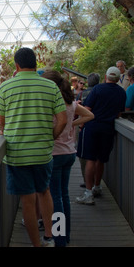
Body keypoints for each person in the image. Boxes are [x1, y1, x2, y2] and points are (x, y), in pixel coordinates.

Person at [0, 47, 67, 247]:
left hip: (18, 155)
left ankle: (37, 244)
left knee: (27, 200)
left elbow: (0, 124)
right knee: (45, 192)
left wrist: (2, 129)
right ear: (35, 63)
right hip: (43, 153)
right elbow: (62, 120)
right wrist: (50, 137)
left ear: (17, 65)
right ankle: (49, 238)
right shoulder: (50, 87)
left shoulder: (6, 88)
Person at [41, 70, 94, 247]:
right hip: (69, 153)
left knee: (56, 197)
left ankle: (59, 239)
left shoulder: (52, 104)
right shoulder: (70, 103)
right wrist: (72, 123)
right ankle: (65, 235)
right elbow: (89, 115)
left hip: (55, 154)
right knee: (63, 195)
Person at [76, 66, 127, 205]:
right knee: (101, 159)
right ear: (117, 79)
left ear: (106, 77)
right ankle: (97, 187)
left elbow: (87, 109)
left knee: (90, 159)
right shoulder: (122, 92)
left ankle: (88, 193)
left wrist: (81, 126)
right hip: (108, 129)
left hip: (92, 127)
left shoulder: (97, 89)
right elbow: (119, 113)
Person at [75, 72, 100, 187]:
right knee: (98, 157)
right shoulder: (101, 92)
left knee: (85, 157)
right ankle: (96, 183)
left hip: (84, 127)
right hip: (101, 126)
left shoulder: (82, 94)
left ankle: (87, 181)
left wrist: (79, 125)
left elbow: (76, 112)